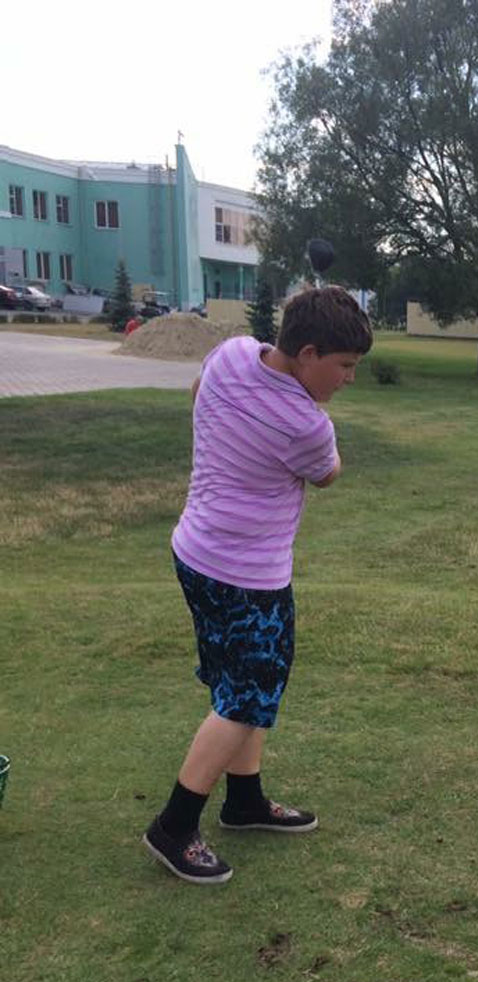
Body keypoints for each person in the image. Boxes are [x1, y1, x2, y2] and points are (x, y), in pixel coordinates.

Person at [143, 285, 373, 884]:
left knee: (239, 687)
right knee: (247, 697)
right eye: (344, 365)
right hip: (247, 576)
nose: (349, 378)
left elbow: (199, 393)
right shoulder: (307, 425)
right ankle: (174, 826)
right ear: (308, 352)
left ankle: (244, 801)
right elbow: (328, 475)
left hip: (195, 552)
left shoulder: (232, 354)